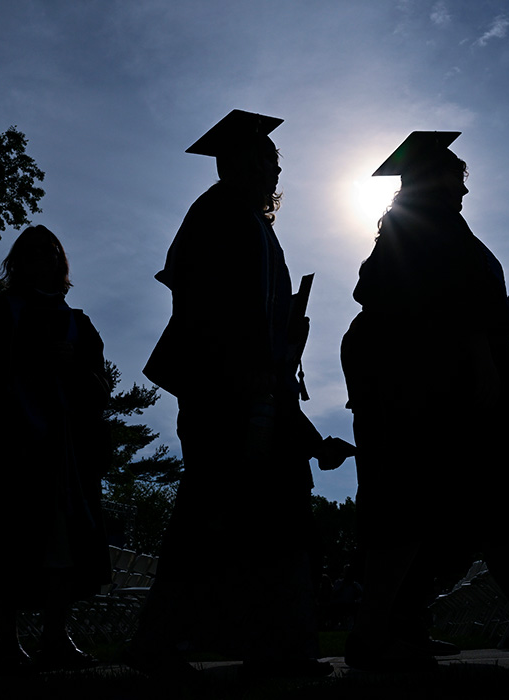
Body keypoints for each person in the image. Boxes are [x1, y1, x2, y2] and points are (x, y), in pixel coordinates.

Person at [341, 131, 509, 669]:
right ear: (436, 176)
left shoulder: (433, 224)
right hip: (443, 393)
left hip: (449, 386)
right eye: (458, 175)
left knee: (485, 514)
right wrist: (475, 346)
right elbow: (423, 302)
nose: (464, 187)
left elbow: (463, 300)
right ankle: (374, 635)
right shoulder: (418, 224)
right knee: (429, 512)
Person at [131, 110, 351, 678]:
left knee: (241, 514)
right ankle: (232, 643)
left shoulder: (246, 220)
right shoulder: (221, 215)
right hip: (228, 389)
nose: (277, 170)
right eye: (267, 160)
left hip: (245, 386)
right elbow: (217, 310)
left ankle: (261, 643)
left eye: (276, 160)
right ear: (242, 164)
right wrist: (261, 382)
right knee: (222, 512)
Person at [0, 225, 112, 675]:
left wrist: (75, 366)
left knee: (61, 545)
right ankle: (7, 641)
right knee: (9, 541)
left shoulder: (80, 325)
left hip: (65, 454)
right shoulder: (2, 312)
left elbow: (101, 390)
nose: (46, 260)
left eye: (52, 253)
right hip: (14, 447)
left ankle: (56, 636)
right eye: (36, 253)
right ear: (20, 262)